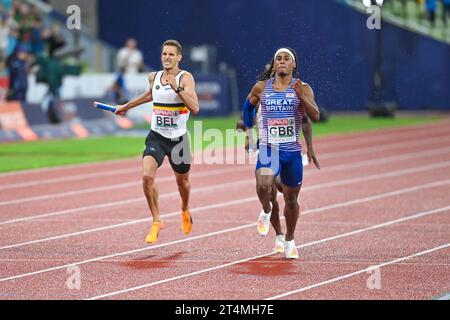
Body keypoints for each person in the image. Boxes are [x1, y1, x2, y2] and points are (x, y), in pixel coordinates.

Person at [115, 39, 200, 243]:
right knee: (146, 177)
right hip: (157, 136)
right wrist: (127, 105)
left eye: (171, 54)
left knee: (183, 183)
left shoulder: (185, 78)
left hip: (178, 140)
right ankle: (156, 221)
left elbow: (195, 108)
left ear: (179, 57)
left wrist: (177, 88)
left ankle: (185, 208)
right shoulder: (154, 76)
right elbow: (150, 95)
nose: (167, 58)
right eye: (164, 54)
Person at [242, 47, 320, 259]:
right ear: (274, 65)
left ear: (294, 65)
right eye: (279, 59)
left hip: (292, 151)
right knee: (264, 185)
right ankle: (266, 210)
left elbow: (313, 116)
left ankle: (289, 240)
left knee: (291, 199)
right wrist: (249, 134)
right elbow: (247, 108)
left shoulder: (302, 88)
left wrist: (310, 148)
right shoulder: (261, 87)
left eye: (287, 59)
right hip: (269, 148)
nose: (283, 62)